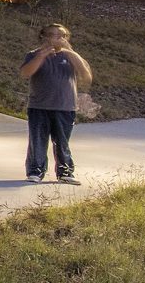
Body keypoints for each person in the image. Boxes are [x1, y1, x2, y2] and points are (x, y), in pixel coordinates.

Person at [19, 23, 92, 184]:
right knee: (38, 140)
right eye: (53, 34)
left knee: (62, 141)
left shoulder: (72, 56)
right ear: (44, 37)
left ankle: (65, 172)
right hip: (39, 106)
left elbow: (86, 76)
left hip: (65, 106)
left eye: (63, 35)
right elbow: (25, 73)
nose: (58, 38)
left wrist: (71, 52)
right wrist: (41, 55)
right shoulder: (33, 55)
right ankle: (35, 171)